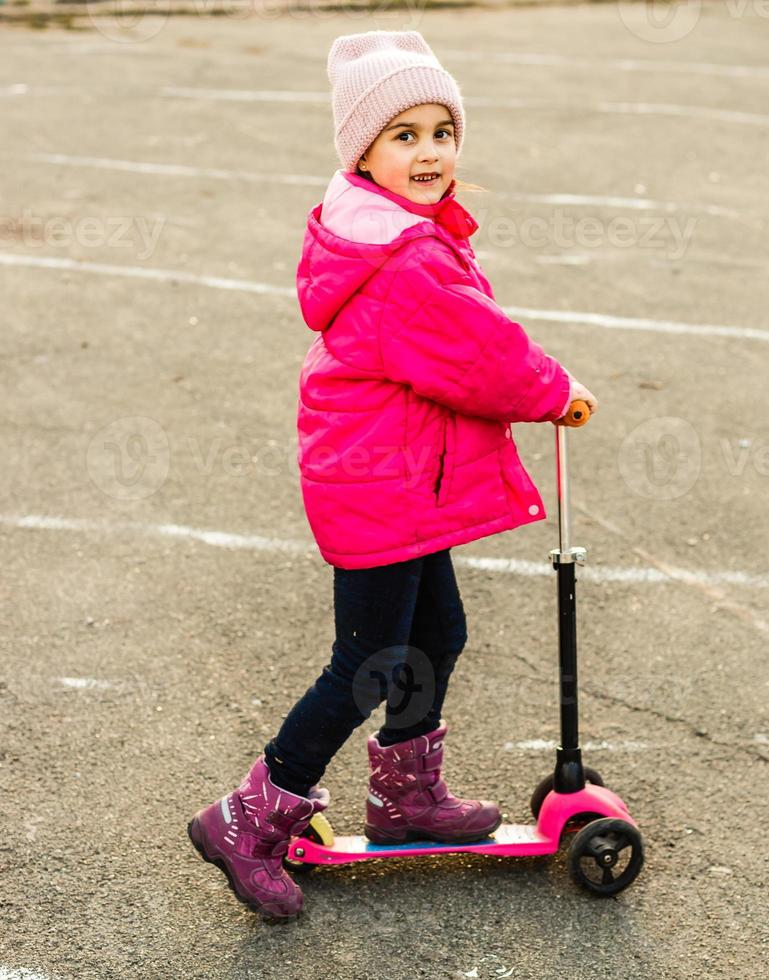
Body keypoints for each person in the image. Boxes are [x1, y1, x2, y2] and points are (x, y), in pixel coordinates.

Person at [186, 29, 598, 923]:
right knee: (369, 663)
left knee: (436, 634)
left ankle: (407, 796)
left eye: (440, 132)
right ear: (362, 151)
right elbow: (480, 356)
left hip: (404, 484)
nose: (428, 153)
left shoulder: (395, 232)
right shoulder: (401, 259)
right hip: (380, 485)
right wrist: (556, 391)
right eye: (403, 136)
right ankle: (250, 816)